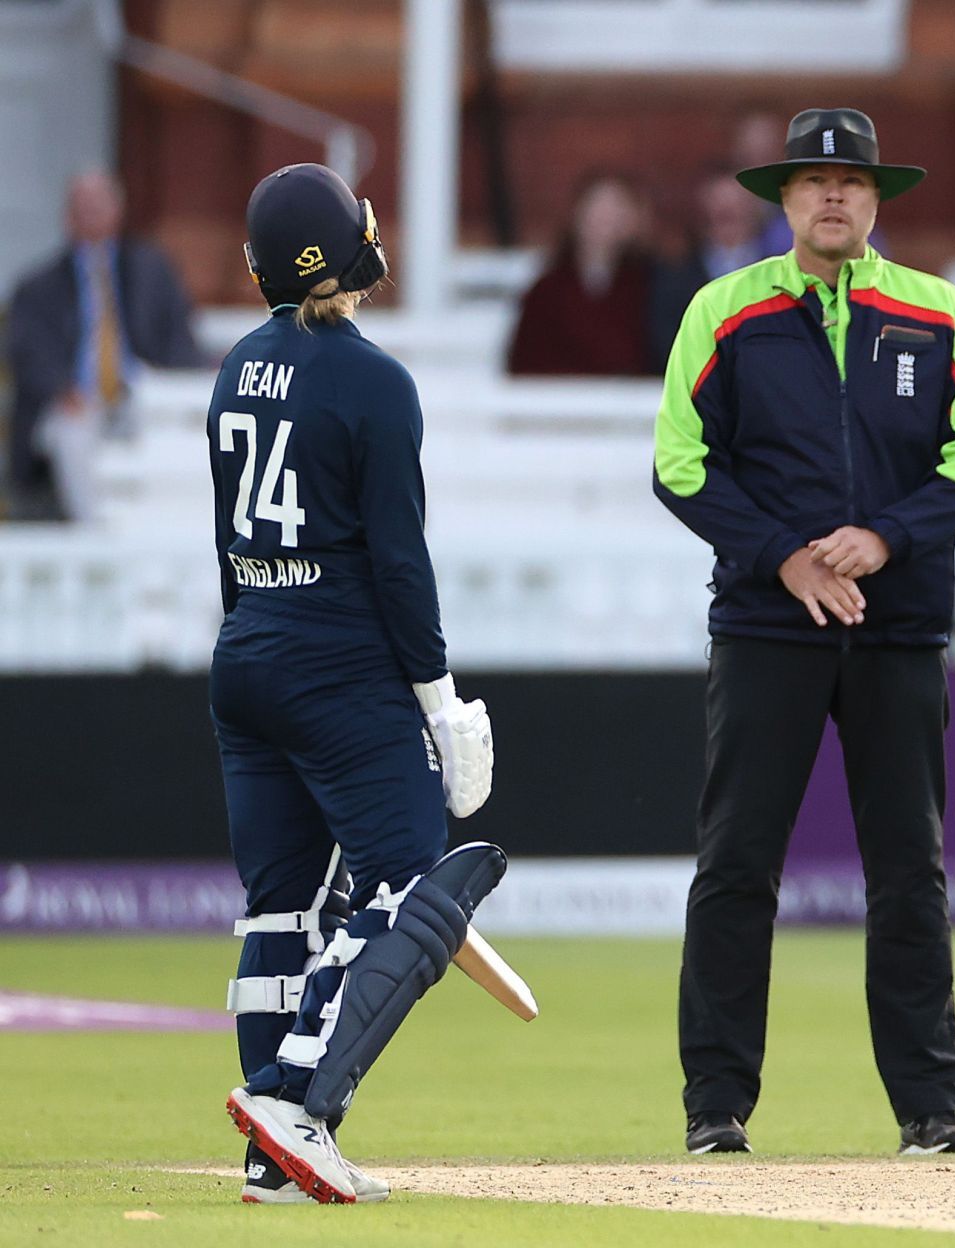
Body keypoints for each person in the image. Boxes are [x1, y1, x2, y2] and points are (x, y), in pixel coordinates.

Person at [652, 108, 955, 1157]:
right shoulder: (725, 311)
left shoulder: (937, 313)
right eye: (813, 182)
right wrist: (786, 558)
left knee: (909, 870)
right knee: (737, 863)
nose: (834, 197)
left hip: (896, 631)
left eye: (851, 180)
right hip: (769, 625)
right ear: (783, 199)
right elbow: (680, 462)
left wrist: (886, 540)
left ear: (877, 198)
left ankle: (931, 1109)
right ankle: (716, 1108)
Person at [210, 164, 499, 1203]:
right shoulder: (377, 383)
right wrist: (441, 702)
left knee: (277, 911)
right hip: (337, 666)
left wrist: (256, 637)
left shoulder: (235, 367)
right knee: (406, 878)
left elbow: (228, 544)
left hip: (246, 654)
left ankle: (268, 1159)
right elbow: (397, 562)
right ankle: (296, 1103)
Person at [7, 171, 202, 521]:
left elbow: (179, 339)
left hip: (140, 394)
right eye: (82, 207)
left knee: (173, 434)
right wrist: (60, 388)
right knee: (71, 435)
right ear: (67, 216)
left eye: (99, 206)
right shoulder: (38, 285)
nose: (91, 215)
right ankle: (97, 538)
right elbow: (28, 352)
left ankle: (164, 534)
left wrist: (169, 382)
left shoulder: (152, 271)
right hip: (77, 401)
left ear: (118, 211)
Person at [506, 171, 658, 376]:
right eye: (598, 206)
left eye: (617, 208)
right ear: (577, 212)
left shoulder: (649, 285)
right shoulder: (547, 290)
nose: (606, 217)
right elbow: (525, 362)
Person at [650, 170, 776, 368]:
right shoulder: (675, 276)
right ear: (704, 211)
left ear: (754, 209)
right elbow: (666, 344)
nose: (727, 210)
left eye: (736, 204)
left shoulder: (780, 276)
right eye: (719, 205)